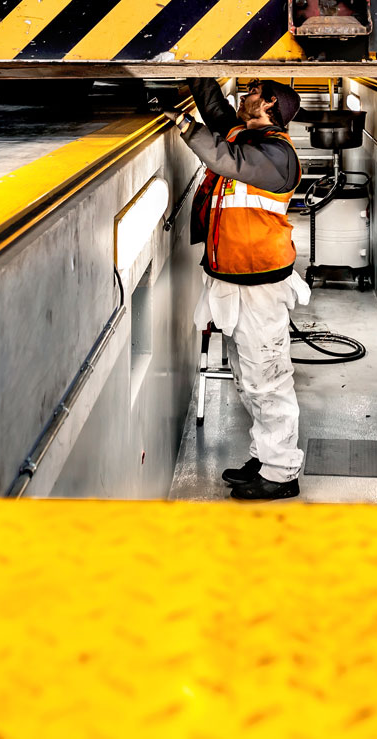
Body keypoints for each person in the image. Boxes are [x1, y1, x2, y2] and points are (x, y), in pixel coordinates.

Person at [166, 77, 309, 501]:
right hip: (234, 278)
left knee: (268, 379)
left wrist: (185, 126)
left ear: (269, 104)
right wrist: (195, 70)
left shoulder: (278, 156)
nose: (245, 96)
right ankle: (265, 457)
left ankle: (281, 473)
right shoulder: (247, 138)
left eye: (253, 93)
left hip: (260, 285)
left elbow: (225, 159)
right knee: (248, 378)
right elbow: (217, 111)